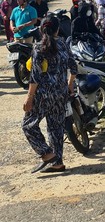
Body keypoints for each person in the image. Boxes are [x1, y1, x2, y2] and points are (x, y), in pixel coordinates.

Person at [22, 15, 77, 173]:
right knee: (56, 128)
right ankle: (57, 162)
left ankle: (46, 154)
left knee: (28, 125)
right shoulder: (63, 44)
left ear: (41, 29)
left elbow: (35, 76)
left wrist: (29, 97)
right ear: (58, 29)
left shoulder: (39, 47)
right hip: (61, 93)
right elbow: (73, 67)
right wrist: (70, 84)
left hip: (43, 95)